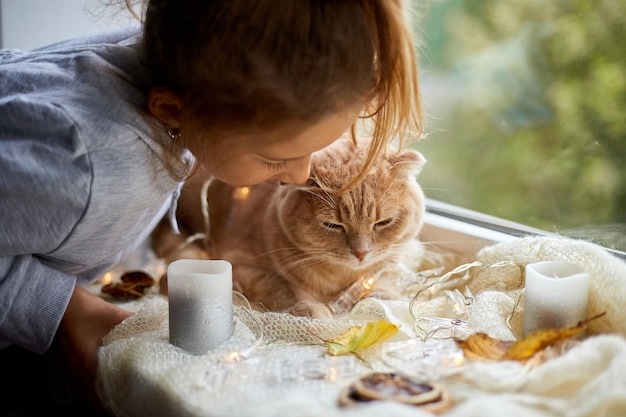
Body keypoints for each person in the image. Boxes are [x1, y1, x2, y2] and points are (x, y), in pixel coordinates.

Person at [0, 0, 422, 415]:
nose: (297, 177)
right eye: (276, 158)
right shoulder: (90, 161)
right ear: (170, 110)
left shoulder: (181, 56)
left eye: (316, 150)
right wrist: (64, 306)